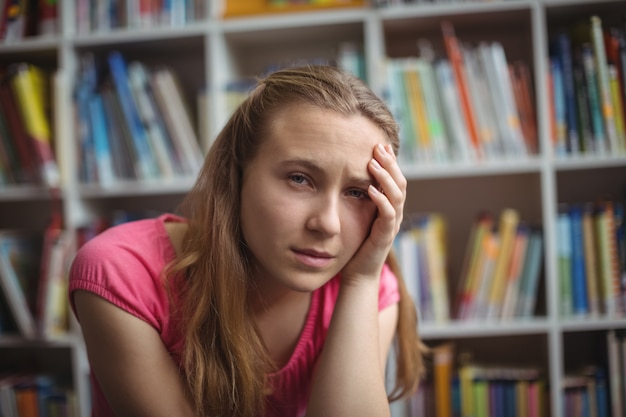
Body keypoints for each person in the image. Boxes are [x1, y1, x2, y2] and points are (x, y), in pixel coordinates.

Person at [69, 64, 424, 417]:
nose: (328, 224)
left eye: (357, 193)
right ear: (237, 173)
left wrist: (362, 280)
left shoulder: (367, 289)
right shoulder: (122, 273)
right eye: (300, 179)